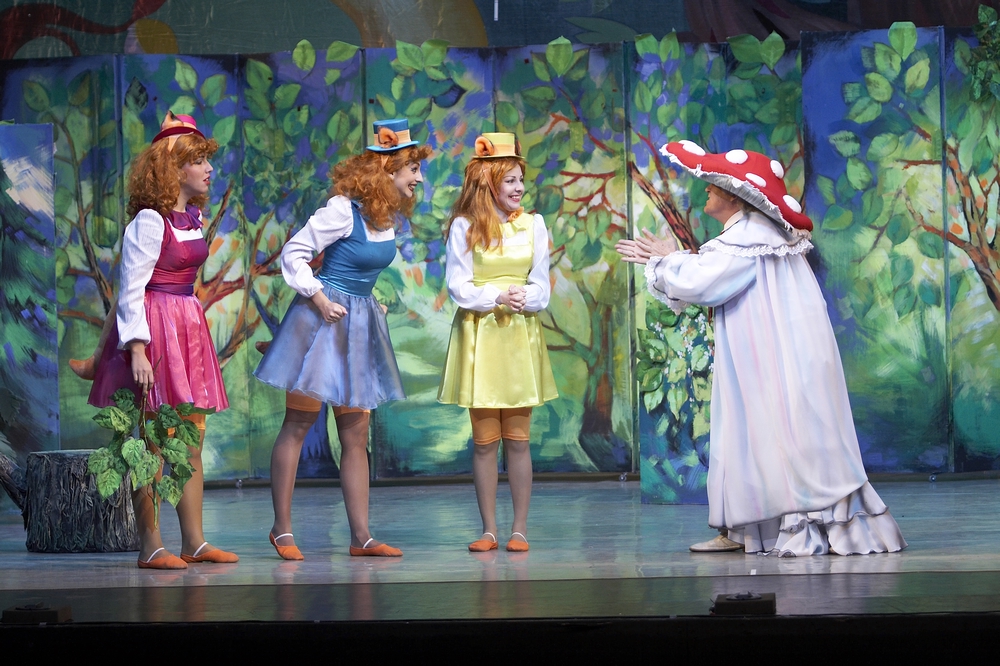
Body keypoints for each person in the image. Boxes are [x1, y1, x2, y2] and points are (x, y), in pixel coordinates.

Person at [617, 140, 906, 556]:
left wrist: (663, 260)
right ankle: (748, 531)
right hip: (768, 359)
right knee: (756, 436)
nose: (707, 191)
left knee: (786, 436)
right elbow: (710, 275)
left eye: (715, 186)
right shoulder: (750, 236)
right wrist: (670, 260)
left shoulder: (752, 236)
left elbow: (702, 281)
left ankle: (806, 526)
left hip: (778, 362)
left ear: (736, 197)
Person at [255, 119, 432, 560]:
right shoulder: (341, 210)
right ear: (388, 170)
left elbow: (362, 271)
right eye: (413, 169)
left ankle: (362, 537)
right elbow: (294, 253)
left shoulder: (386, 218)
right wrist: (318, 297)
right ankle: (281, 529)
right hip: (320, 321)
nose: (419, 178)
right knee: (298, 423)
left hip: (358, 321)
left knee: (355, 432)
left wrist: (372, 304)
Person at [89, 112, 237, 569]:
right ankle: (151, 545)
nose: (209, 169)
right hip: (156, 329)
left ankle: (194, 541)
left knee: (190, 438)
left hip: (186, 327)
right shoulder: (150, 222)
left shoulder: (191, 218)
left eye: (207, 160)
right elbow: (132, 288)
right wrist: (137, 349)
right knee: (153, 439)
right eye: (199, 161)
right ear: (174, 168)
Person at [438, 132, 558, 553]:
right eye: (510, 180)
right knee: (485, 441)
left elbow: (541, 283)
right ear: (488, 182)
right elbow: (458, 286)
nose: (519, 187)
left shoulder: (534, 224)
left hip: (519, 333)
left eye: (520, 179)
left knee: (519, 440)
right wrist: (496, 297)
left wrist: (528, 297)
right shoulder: (464, 227)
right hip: (482, 335)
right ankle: (489, 528)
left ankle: (519, 528)